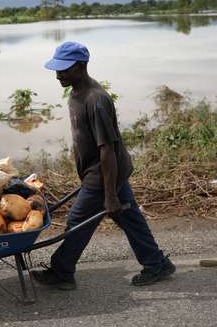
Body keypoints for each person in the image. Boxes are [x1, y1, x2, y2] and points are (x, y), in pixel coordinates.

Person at [32, 41, 175, 290]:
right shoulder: (76, 92)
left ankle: (62, 272)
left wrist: (108, 194)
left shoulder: (95, 100)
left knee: (77, 221)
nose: (58, 74)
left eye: (64, 69)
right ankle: (156, 263)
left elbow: (106, 149)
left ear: (81, 67)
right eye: (57, 69)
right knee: (129, 218)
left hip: (103, 174)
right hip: (100, 172)